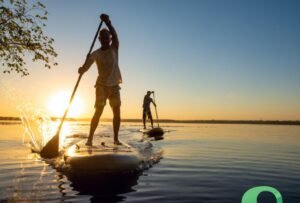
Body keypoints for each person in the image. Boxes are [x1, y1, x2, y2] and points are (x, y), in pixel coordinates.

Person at [78, 14, 122, 146]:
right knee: (98, 111)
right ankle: (90, 139)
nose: (105, 40)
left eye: (107, 38)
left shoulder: (115, 47)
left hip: (114, 86)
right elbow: (85, 68)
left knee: (117, 112)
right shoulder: (95, 54)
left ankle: (116, 139)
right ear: (99, 39)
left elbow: (114, 34)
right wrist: (81, 69)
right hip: (101, 86)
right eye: (102, 38)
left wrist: (108, 22)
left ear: (110, 39)